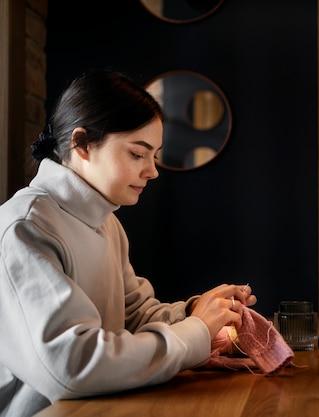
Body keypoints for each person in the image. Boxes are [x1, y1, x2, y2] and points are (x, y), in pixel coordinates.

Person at [0, 69, 257, 416]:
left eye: (154, 155)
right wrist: (195, 332)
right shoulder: (24, 228)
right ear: (82, 144)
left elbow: (133, 316)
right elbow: (71, 368)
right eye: (138, 154)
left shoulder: (107, 222)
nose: (152, 170)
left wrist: (195, 311)